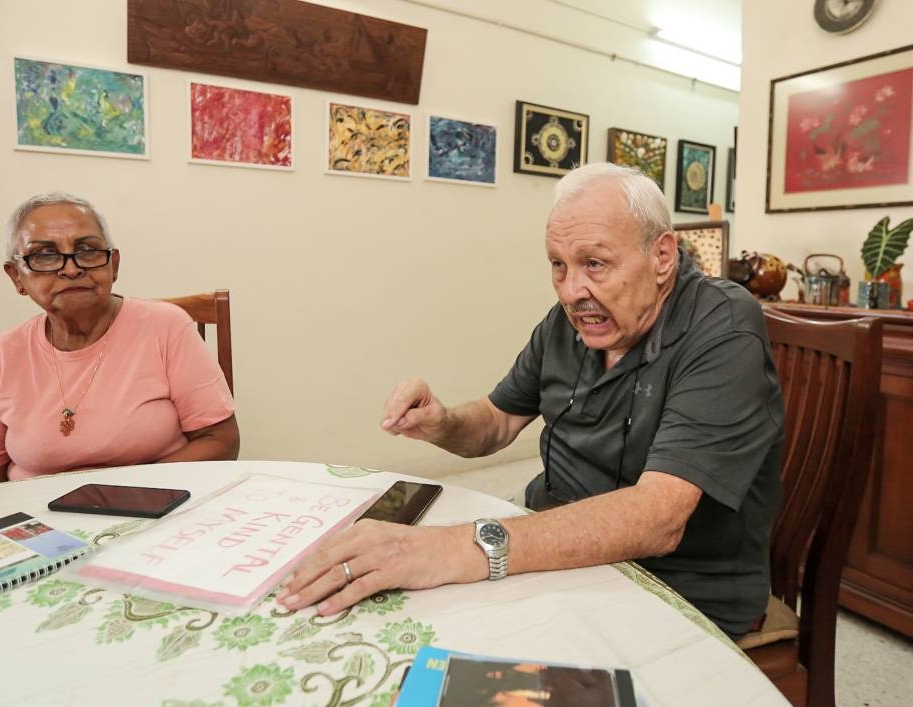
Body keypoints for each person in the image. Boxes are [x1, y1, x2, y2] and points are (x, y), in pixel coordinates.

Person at [277, 163, 784, 638]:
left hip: (674, 586)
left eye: (595, 264)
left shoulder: (723, 326)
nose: (571, 291)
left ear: (662, 257)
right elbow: (498, 420)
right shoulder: (569, 321)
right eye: (558, 266)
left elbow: (658, 518)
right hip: (558, 548)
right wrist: (444, 422)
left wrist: (455, 548)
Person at [0, 193, 239, 491]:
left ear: (114, 264)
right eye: (44, 255)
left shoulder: (167, 326)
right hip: (40, 520)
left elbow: (220, 441)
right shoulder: (0, 356)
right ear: (16, 277)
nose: (71, 269)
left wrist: (118, 496)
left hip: (152, 505)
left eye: (87, 250)